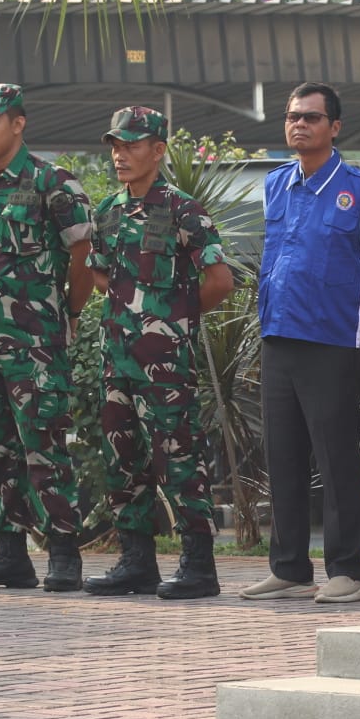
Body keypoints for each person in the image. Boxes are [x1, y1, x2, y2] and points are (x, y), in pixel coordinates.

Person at [242, 83, 360, 605]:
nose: (298, 125)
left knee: (336, 460)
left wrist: (352, 326)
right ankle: (289, 567)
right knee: (282, 456)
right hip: (279, 336)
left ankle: (347, 571)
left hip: (332, 343)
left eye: (310, 117)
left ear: (334, 127)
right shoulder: (277, 184)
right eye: (292, 117)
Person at [81, 107, 235, 600]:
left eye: (131, 144)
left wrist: (174, 320)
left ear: (159, 150)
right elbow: (99, 272)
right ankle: (136, 560)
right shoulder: (107, 210)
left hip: (165, 362)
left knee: (177, 455)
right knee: (122, 458)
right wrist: (132, 304)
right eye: (115, 145)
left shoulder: (184, 210)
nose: (120, 154)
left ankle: (198, 563)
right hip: (117, 358)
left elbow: (219, 280)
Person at [0, 84, 95, 593]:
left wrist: (70, 312)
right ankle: (9, 552)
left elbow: (83, 256)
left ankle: (63, 552)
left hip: (34, 344)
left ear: (18, 123)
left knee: (45, 448)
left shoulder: (52, 182)